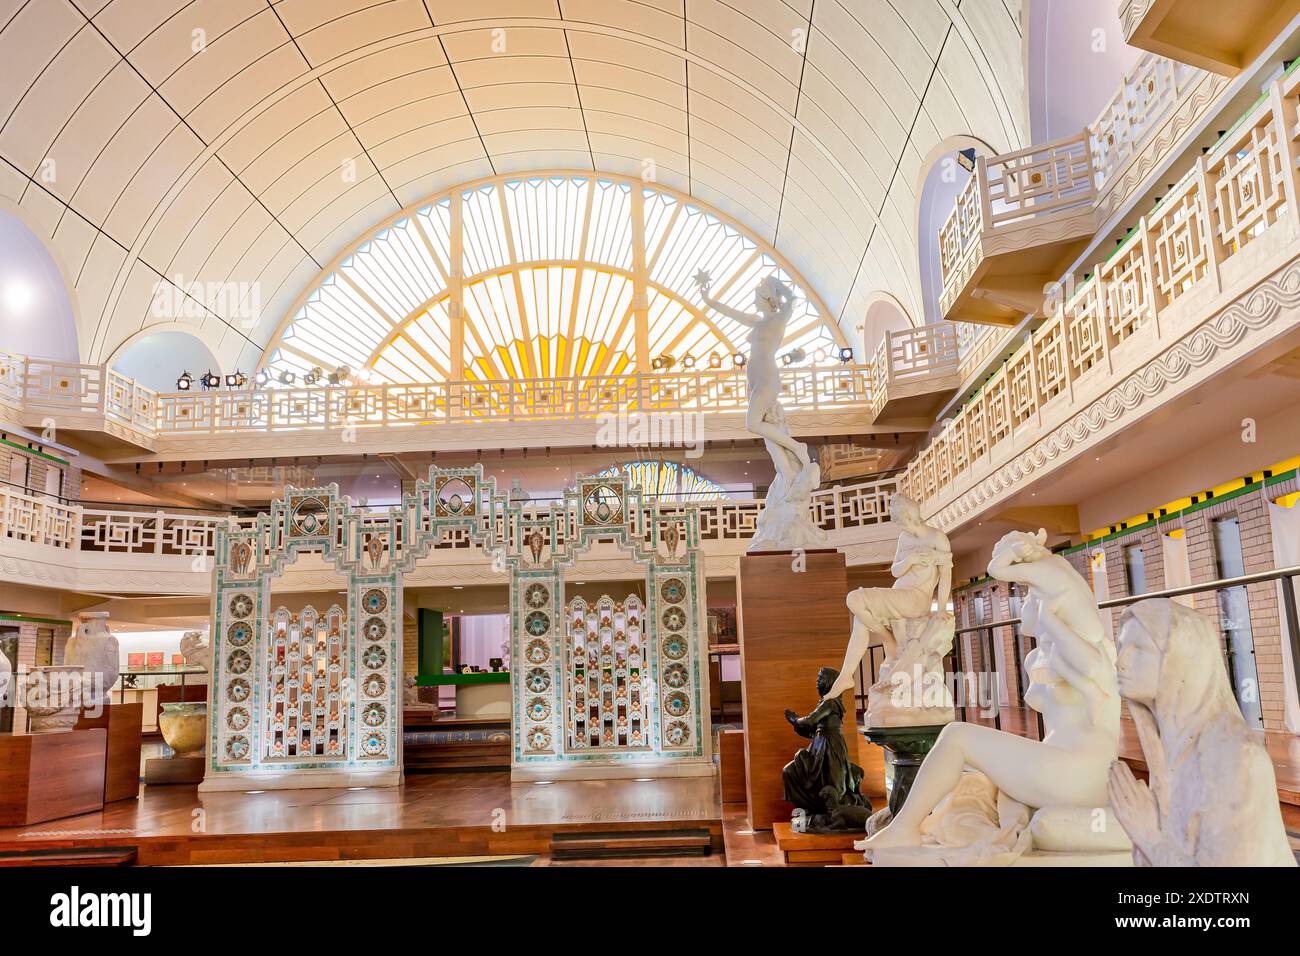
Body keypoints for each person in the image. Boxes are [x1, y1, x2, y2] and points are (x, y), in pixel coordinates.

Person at [863, 529, 1119, 850]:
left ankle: (903, 827)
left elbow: (1094, 673)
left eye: (1029, 599)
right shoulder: (1044, 655)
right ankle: (944, 827)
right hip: (1062, 767)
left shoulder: (1085, 649)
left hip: (1082, 775)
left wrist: (1050, 618)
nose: (1022, 605)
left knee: (957, 736)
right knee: (972, 772)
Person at [1109, 599, 1296, 866]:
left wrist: (1149, 835)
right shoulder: (1169, 752)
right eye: (1121, 647)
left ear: (1180, 659)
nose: (1120, 662)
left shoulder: (1234, 758)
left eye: (1138, 648)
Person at [823, 494, 951, 700]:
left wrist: (942, 608)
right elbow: (895, 571)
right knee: (861, 620)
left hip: (916, 599)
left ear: (909, 517)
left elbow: (946, 577)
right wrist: (910, 559)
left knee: (854, 599)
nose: (900, 527)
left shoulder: (937, 539)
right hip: (898, 593)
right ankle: (847, 675)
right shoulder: (904, 538)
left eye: (900, 522)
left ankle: (886, 639)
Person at [693, 271, 810, 496]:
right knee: (768, 436)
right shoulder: (757, 321)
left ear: (766, 297)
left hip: (767, 376)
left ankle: (797, 447)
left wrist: (774, 282)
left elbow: (793, 299)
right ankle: (787, 475)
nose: (754, 298)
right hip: (754, 379)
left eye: (757, 294)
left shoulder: (779, 318)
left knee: (752, 423)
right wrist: (708, 300)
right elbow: (730, 312)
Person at [782, 667, 870, 825]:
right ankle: (808, 807)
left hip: (830, 748)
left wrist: (795, 720)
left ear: (830, 682)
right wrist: (797, 724)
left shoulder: (831, 702)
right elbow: (813, 730)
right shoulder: (825, 702)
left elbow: (810, 720)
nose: (817, 681)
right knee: (789, 771)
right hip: (818, 746)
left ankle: (833, 812)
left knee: (832, 783)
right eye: (817, 678)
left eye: (821, 678)